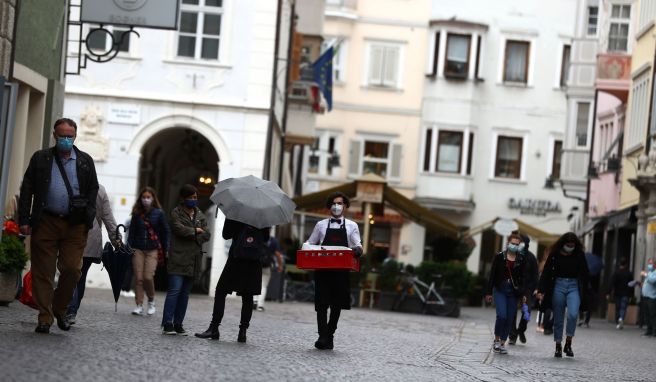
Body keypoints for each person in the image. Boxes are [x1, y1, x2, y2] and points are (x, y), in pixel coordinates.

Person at [18, 118, 99, 334]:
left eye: (69, 136)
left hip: (75, 224)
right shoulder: (41, 158)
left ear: (75, 136)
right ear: (54, 136)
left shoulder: (84, 161)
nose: (65, 139)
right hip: (46, 221)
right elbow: (27, 189)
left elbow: (93, 190)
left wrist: (87, 217)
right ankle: (45, 317)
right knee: (43, 272)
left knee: (72, 270)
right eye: (62, 136)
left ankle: (60, 308)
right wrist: (24, 220)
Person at [305, 192, 363, 350]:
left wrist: (358, 250)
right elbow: (310, 243)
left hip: (341, 271)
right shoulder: (321, 225)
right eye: (334, 203)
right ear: (329, 206)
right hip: (323, 270)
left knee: (336, 305)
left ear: (345, 206)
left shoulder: (352, 226)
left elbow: (358, 244)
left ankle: (329, 335)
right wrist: (306, 248)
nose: (336, 206)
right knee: (322, 304)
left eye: (340, 203)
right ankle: (322, 336)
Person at [195, 219, 269, 343]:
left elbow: (226, 235)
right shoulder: (262, 215)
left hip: (236, 259)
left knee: (221, 291)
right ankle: (242, 332)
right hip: (253, 262)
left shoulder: (236, 214)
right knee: (248, 296)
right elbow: (265, 238)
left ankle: (214, 328)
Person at [66, 184, 120, 324]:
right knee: (81, 276)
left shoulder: (72, 184)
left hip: (72, 235)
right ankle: (72, 311)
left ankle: (70, 309)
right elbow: (108, 217)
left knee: (71, 272)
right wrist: (116, 240)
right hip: (92, 238)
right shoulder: (100, 189)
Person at [161, 184, 211, 335]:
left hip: (193, 259)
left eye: (195, 197)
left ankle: (178, 323)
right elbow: (178, 229)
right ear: (183, 198)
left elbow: (207, 234)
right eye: (190, 197)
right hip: (178, 257)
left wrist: (195, 237)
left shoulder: (200, 215)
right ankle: (167, 323)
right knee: (174, 291)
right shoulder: (176, 213)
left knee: (185, 294)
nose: (193, 200)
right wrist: (196, 230)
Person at [537, 232, 589, 358]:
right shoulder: (555, 254)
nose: (570, 247)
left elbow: (585, 273)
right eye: (568, 245)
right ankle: (558, 346)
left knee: (573, 314)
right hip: (558, 285)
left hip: (573, 286)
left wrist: (586, 290)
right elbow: (547, 272)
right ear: (563, 244)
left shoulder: (579, 254)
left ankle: (568, 343)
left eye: (572, 245)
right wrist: (541, 290)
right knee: (558, 316)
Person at [127, 187, 170, 316]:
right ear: (140, 199)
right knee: (139, 278)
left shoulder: (159, 213)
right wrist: (129, 247)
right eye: (144, 197)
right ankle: (139, 304)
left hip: (152, 249)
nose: (146, 200)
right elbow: (132, 232)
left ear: (153, 198)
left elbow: (166, 231)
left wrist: (166, 247)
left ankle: (151, 300)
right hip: (138, 249)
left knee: (147, 276)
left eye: (148, 197)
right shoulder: (136, 213)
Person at [485, 233, 529, 355]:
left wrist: (523, 293)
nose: (514, 246)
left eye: (517, 244)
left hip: (513, 291)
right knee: (502, 315)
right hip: (500, 289)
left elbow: (523, 277)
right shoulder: (499, 257)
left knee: (510, 317)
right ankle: (497, 340)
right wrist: (488, 292)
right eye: (512, 243)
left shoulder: (521, 259)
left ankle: (503, 343)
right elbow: (492, 275)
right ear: (508, 243)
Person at [508, 233, 538, 345]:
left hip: (527, 289)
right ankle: (512, 335)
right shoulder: (511, 255)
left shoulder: (531, 257)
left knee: (527, 312)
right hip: (514, 287)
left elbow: (535, 274)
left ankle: (521, 330)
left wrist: (536, 287)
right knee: (512, 311)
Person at [254, 235, 283, 312]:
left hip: (256, 264)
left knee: (255, 283)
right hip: (266, 266)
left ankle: (254, 300)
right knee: (263, 286)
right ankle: (260, 305)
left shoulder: (257, 237)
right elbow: (277, 254)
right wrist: (280, 265)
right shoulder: (273, 241)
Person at [606, 257, 635, 330]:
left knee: (618, 307)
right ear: (626, 264)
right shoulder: (629, 273)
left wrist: (608, 292)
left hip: (617, 293)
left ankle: (618, 320)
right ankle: (621, 318)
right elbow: (632, 285)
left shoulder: (616, 272)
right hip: (626, 293)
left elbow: (611, 283)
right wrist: (632, 295)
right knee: (623, 307)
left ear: (619, 264)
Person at [578, 252, 602, 328]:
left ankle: (582, 319)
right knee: (588, 305)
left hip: (584, 289)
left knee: (583, 303)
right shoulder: (592, 270)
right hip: (588, 289)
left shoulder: (582, 269)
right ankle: (585, 320)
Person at [640, 258, 656, 336]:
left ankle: (654, 331)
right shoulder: (649, 272)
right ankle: (649, 330)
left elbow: (653, 281)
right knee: (647, 314)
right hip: (645, 296)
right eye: (648, 263)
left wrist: (645, 274)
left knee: (652, 314)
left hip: (652, 297)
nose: (649, 265)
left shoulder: (654, 272)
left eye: (651, 263)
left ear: (654, 264)